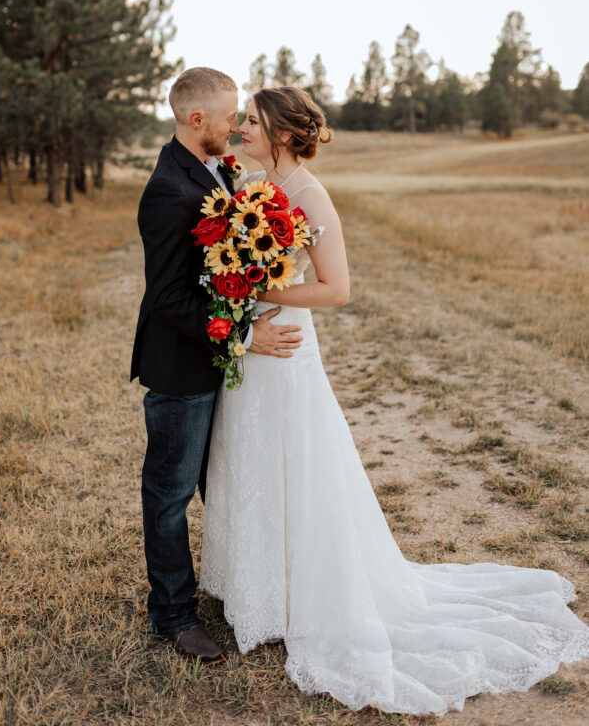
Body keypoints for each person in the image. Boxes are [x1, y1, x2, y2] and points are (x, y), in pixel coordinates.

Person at [199, 85, 589, 714]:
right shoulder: (244, 187)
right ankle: (257, 588)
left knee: (296, 461)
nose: (242, 125)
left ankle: (307, 593)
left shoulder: (307, 195)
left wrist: (262, 289)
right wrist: (241, 305)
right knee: (249, 458)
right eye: (242, 118)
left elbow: (338, 289)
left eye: (252, 120)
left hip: (288, 342)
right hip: (255, 343)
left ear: (283, 133)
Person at [131, 67, 304, 665]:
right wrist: (245, 333)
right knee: (170, 492)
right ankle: (174, 616)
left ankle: (238, 589)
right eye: (231, 115)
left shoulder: (217, 168)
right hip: (183, 368)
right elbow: (169, 298)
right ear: (196, 120)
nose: (238, 124)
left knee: (225, 485)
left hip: (221, 365)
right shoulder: (166, 190)